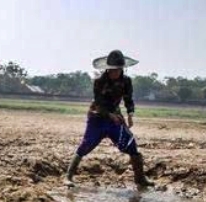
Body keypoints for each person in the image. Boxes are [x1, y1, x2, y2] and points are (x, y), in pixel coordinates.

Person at [64, 50, 153, 188]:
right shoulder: (99, 82)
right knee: (86, 144)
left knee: (131, 144)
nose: (115, 73)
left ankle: (140, 179)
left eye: (118, 70)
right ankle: (68, 176)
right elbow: (99, 102)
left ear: (122, 69)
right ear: (107, 69)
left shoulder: (126, 81)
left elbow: (128, 99)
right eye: (112, 70)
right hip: (97, 117)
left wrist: (130, 114)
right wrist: (110, 115)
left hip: (115, 119)